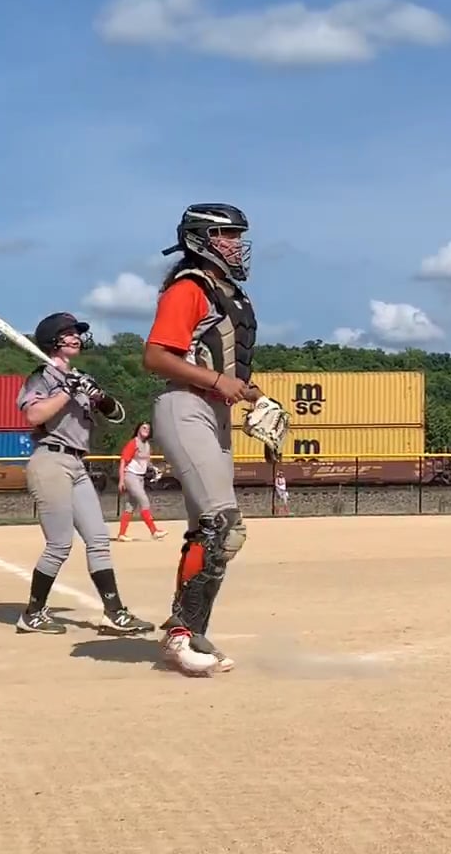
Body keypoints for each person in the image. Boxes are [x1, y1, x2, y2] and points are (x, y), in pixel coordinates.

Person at [141, 203, 262, 677]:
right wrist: (217, 382)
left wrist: (252, 395)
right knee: (223, 527)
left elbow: (224, 366)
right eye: (227, 235)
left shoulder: (228, 293)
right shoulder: (189, 287)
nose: (236, 244)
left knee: (211, 533)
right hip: (185, 406)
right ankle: (180, 634)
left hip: (215, 412)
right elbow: (156, 356)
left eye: (238, 235)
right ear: (201, 239)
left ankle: (190, 632)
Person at [12, 312, 154, 637]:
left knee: (98, 539)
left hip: (77, 464)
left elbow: (116, 415)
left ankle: (114, 613)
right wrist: (66, 390)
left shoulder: (78, 377)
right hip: (50, 460)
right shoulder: (42, 377)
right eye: (69, 332)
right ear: (53, 339)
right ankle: (32, 614)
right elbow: (34, 415)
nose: (76, 336)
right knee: (60, 544)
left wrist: (97, 395)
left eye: (77, 332)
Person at [115, 422, 166, 541]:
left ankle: (121, 534)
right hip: (130, 475)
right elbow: (123, 461)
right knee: (144, 501)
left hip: (140, 477)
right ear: (138, 429)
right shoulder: (133, 443)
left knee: (131, 505)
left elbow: (147, 463)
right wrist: (121, 480)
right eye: (143, 427)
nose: (146, 430)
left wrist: (155, 469)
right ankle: (154, 531)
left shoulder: (147, 445)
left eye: (148, 428)